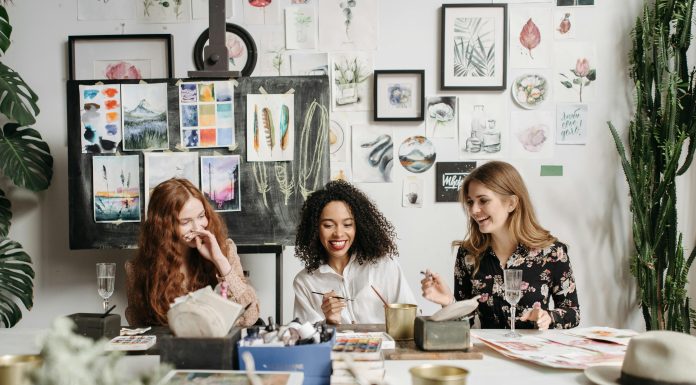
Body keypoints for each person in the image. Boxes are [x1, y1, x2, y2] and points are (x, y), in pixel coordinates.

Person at [421, 161, 579, 330]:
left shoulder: (552, 252)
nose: (474, 210)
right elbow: (466, 325)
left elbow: (572, 312)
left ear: (511, 203)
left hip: (531, 353)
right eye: (470, 202)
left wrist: (548, 316)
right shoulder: (467, 255)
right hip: (486, 354)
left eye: (483, 200)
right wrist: (449, 303)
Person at [125, 178, 259, 327]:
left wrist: (219, 261)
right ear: (163, 227)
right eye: (185, 222)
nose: (198, 228)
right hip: (169, 348)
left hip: (215, 347)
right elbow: (139, 326)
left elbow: (250, 317)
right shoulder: (137, 269)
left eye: (201, 216)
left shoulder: (225, 251)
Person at [293, 180, 416, 325]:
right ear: (314, 229)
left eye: (347, 224)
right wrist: (330, 322)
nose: (338, 233)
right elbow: (305, 337)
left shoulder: (385, 266)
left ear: (359, 227)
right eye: (328, 225)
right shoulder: (305, 281)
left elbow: (411, 320)